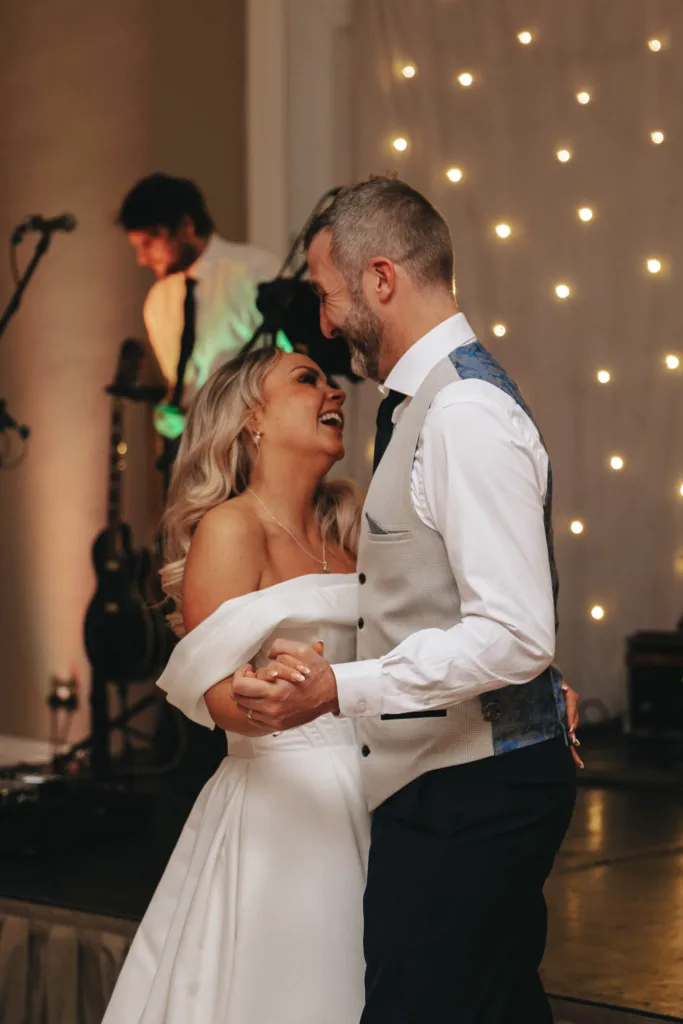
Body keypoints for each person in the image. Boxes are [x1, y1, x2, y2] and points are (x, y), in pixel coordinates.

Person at [232, 178, 580, 1023]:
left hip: (468, 794)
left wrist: (337, 691)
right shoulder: (425, 407)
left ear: (381, 279)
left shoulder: (461, 411)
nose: (321, 320)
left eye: (327, 293)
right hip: (450, 782)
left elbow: (510, 630)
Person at [101, 346, 371, 1024]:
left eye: (329, 379)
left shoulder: (351, 533)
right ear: (251, 418)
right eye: (306, 379)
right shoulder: (230, 528)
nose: (331, 389)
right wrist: (267, 695)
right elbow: (218, 699)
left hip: (374, 796)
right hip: (283, 811)